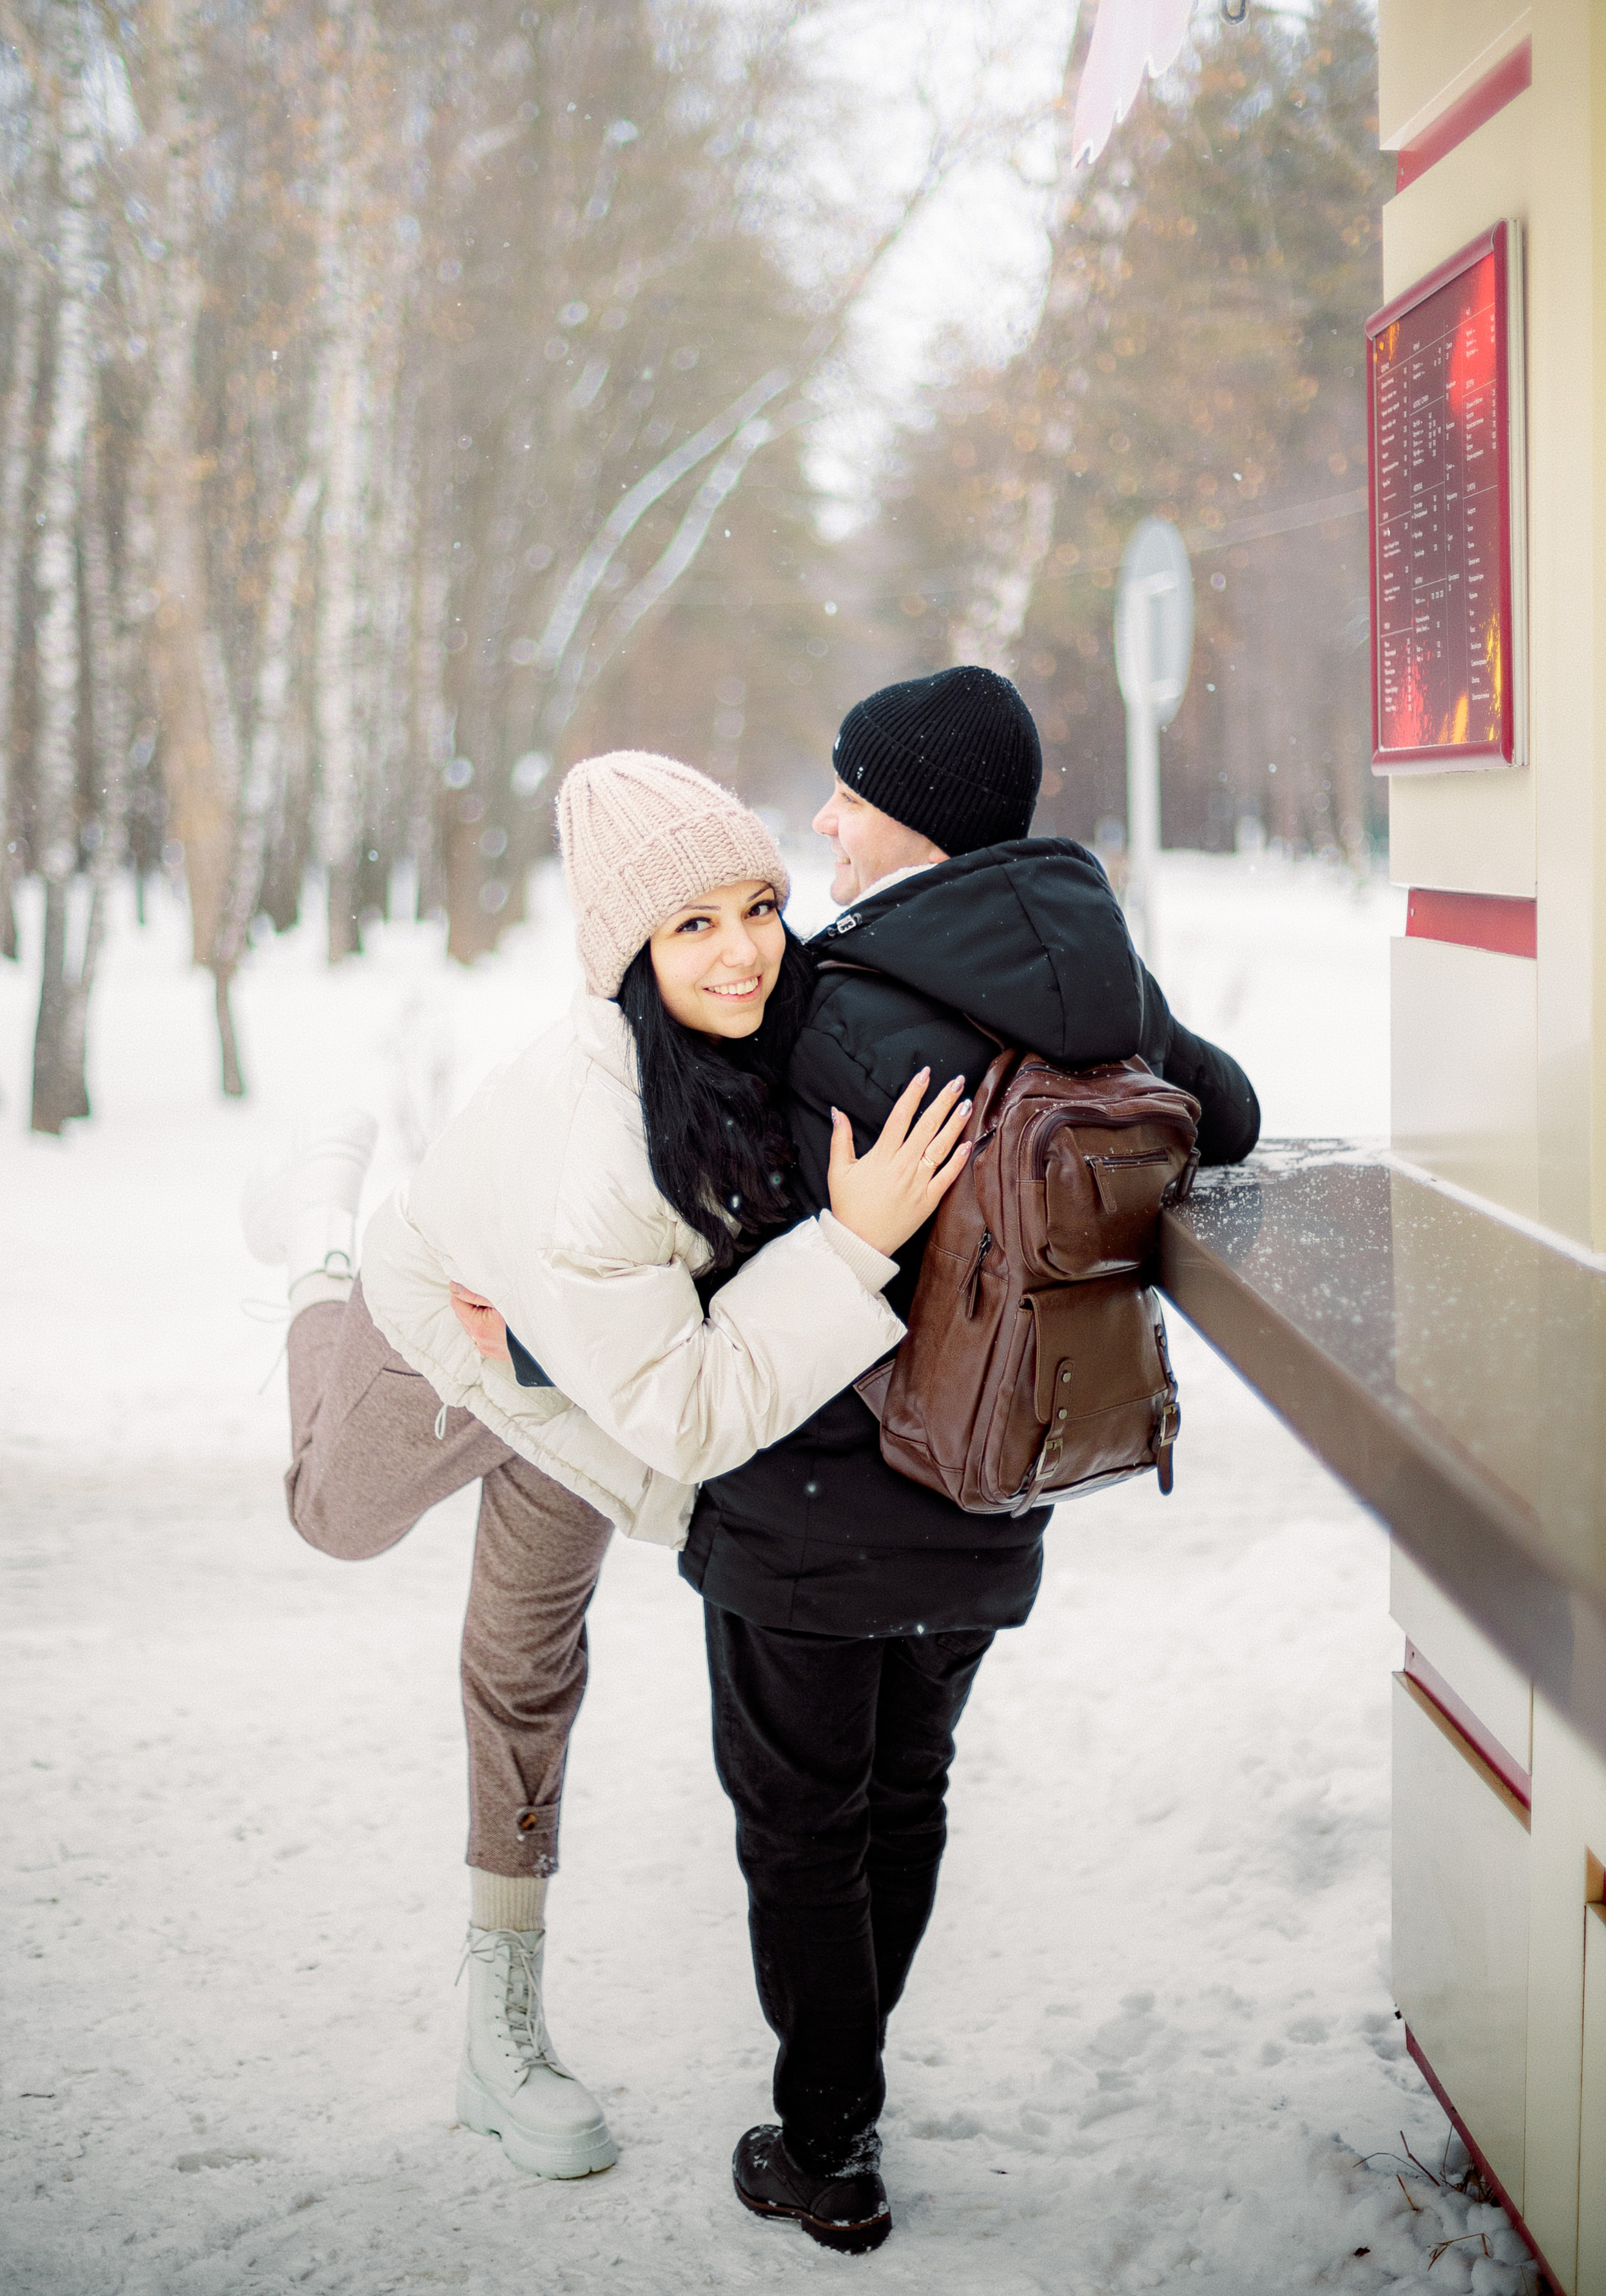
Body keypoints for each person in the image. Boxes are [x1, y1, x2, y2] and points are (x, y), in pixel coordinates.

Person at [248, 752, 969, 2186]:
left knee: (522, 1667)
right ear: (625, 952)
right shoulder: (594, 1150)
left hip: (567, 1370)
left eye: (754, 905)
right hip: (440, 1328)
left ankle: (494, 2036)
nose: (743, 950)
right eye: (688, 924)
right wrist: (850, 1247)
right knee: (330, 1515)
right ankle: (315, 1250)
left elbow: (668, 1374)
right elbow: (694, 1418)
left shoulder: (767, 1027)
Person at [664, 666, 1261, 2254]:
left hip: (808, 1493)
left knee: (803, 1822)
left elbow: (709, 1215)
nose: (822, 821)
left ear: (908, 811)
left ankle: (826, 2142)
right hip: (998, 1472)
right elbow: (1234, 1116)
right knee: (903, 1792)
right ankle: (840, 2110)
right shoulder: (1094, 970)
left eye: (846, 792)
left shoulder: (824, 997)